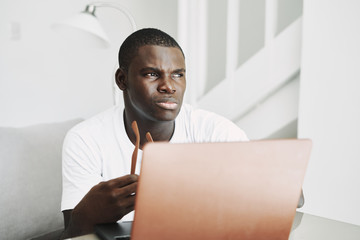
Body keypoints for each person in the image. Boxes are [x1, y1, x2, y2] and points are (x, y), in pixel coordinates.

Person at [60, 28, 301, 238]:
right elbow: (72, 234)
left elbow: (293, 200)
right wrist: (88, 213)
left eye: (178, 74)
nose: (169, 86)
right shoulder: (85, 139)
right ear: (122, 80)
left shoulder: (214, 131)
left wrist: (278, 186)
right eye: (152, 74)